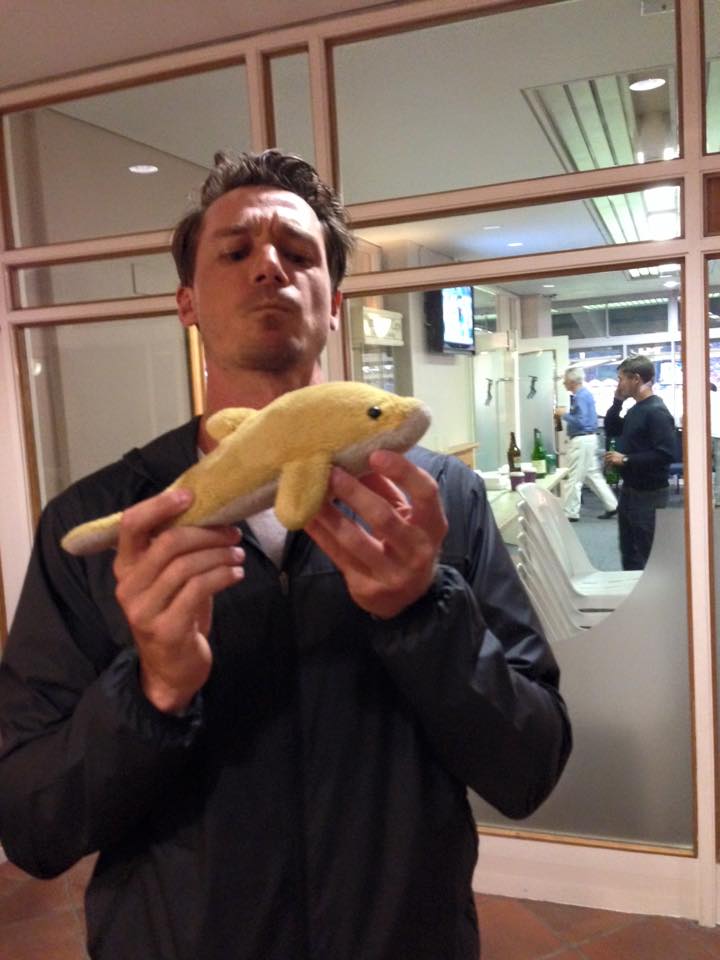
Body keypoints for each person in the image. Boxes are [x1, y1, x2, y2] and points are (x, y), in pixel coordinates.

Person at [0, 150, 571, 960]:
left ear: (334, 303)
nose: (268, 266)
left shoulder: (437, 503)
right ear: (187, 302)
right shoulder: (103, 522)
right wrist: (152, 687)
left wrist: (423, 615)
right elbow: (32, 826)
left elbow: (529, 766)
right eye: (235, 251)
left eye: (298, 254)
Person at [603, 356, 677, 570]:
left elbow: (666, 454)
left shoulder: (656, 411)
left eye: (621, 379)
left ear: (635, 378)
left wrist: (625, 459)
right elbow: (612, 428)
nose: (619, 384)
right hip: (630, 491)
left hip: (649, 494)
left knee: (649, 554)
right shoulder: (636, 409)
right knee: (630, 552)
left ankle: (659, 592)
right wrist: (617, 402)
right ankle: (636, 589)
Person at [560, 366, 618, 523]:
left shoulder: (580, 397)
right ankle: (612, 505)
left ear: (572, 381)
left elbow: (581, 421)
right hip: (589, 439)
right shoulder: (584, 395)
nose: (564, 383)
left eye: (565, 380)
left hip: (582, 440)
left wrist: (564, 415)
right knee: (592, 475)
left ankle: (570, 512)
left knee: (574, 478)